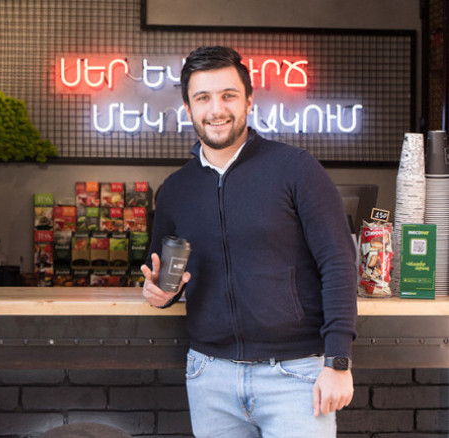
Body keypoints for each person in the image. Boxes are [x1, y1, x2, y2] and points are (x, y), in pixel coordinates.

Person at [141, 46, 357, 437]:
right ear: (188, 108)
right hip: (209, 376)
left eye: (228, 95)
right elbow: (165, 276)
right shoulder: (174, 190)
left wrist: (338, 361)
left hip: (295, 375)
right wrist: (159, 293)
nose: (216, 109)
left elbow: (339, 263)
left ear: (249, 101)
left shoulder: (296, 169)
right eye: (203, 98)